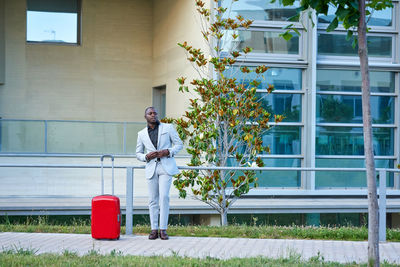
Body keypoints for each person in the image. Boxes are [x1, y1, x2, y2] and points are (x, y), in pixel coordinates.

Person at [136, 107, 183, 240]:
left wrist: (168, 152)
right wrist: (146, 156)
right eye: (150, 113)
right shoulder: (141, 134)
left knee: (164, 197)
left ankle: (163, 229)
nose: (153, 115)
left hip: (165, 166)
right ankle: (153, 229)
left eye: (155, 113)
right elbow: (138, 153)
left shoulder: (168, 128)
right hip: (151, 167)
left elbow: (179, 144)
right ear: (145, 116)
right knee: (152, 200)